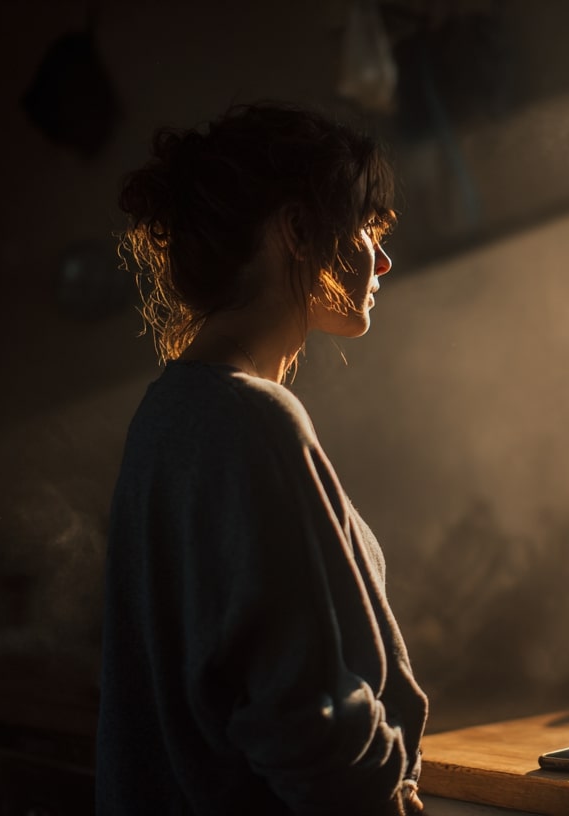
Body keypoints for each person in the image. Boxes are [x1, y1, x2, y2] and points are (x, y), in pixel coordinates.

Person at [97, 103, 428, 815]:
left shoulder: (167, 412)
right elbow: (301, 714)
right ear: (299, 230)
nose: (383, 257)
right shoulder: (254, 419)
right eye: (368, 228)